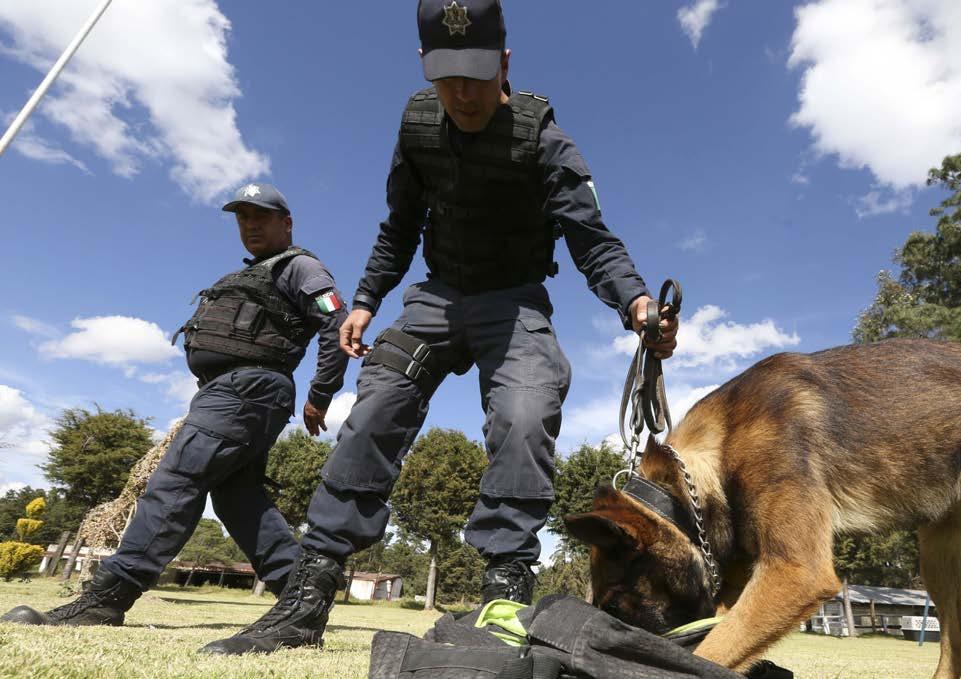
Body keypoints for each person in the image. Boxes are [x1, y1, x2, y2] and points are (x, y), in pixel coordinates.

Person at [200, 0, 677, 656]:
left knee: (526, 408)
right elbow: (398, 226)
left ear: (504, 63)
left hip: (514, 303)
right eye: (446, 77)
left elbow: (591, 240)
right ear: (425, 64)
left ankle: (505, 592)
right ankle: (307, 596)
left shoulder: (545, 140)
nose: (462, 94)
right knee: (377, 406)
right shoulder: (418, 125)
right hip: (437, 296)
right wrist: (365, 299)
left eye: (476, 76)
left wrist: (637, 304)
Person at [2, 182, 349, 628]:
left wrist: (321, 393)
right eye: (242, 218)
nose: (250, 225)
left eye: (260, 216)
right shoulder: (256, 273)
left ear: (286, 223)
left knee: (176, 480)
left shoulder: (300, 266)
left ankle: (107, 598)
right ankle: (302, 598)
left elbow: (335, 321)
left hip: (247, 390)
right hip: (233, 392)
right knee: (238, 499)